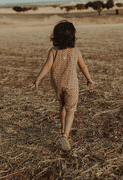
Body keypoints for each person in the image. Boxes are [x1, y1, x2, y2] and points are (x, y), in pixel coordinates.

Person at [30, 20, 95, 151]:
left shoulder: (53, 51)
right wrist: (89, 79)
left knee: (62, 106)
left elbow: (47, 66)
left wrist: (37, 80)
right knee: (71, 109)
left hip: (57, 84)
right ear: (73, 37)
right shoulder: (76, 51)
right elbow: (83, 67)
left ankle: (61, 129)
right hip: (71, 85)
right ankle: (65, 135)